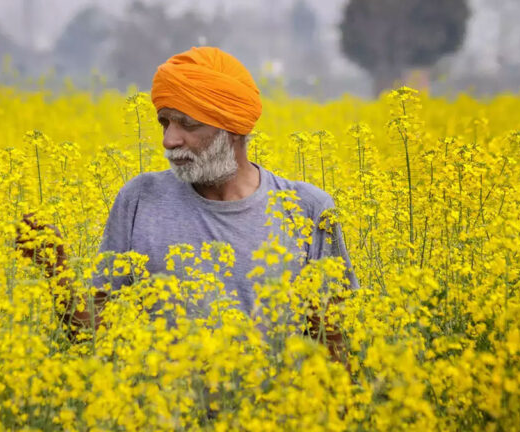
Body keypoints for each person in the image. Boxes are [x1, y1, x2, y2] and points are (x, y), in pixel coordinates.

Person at [20, 46, 358, 363]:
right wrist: (56, 271)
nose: (169, 140)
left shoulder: (307, 209)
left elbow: (334, 349)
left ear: (233, 128)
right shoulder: (139, 199)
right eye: (164, 122)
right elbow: (92, 337)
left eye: (188, 123)